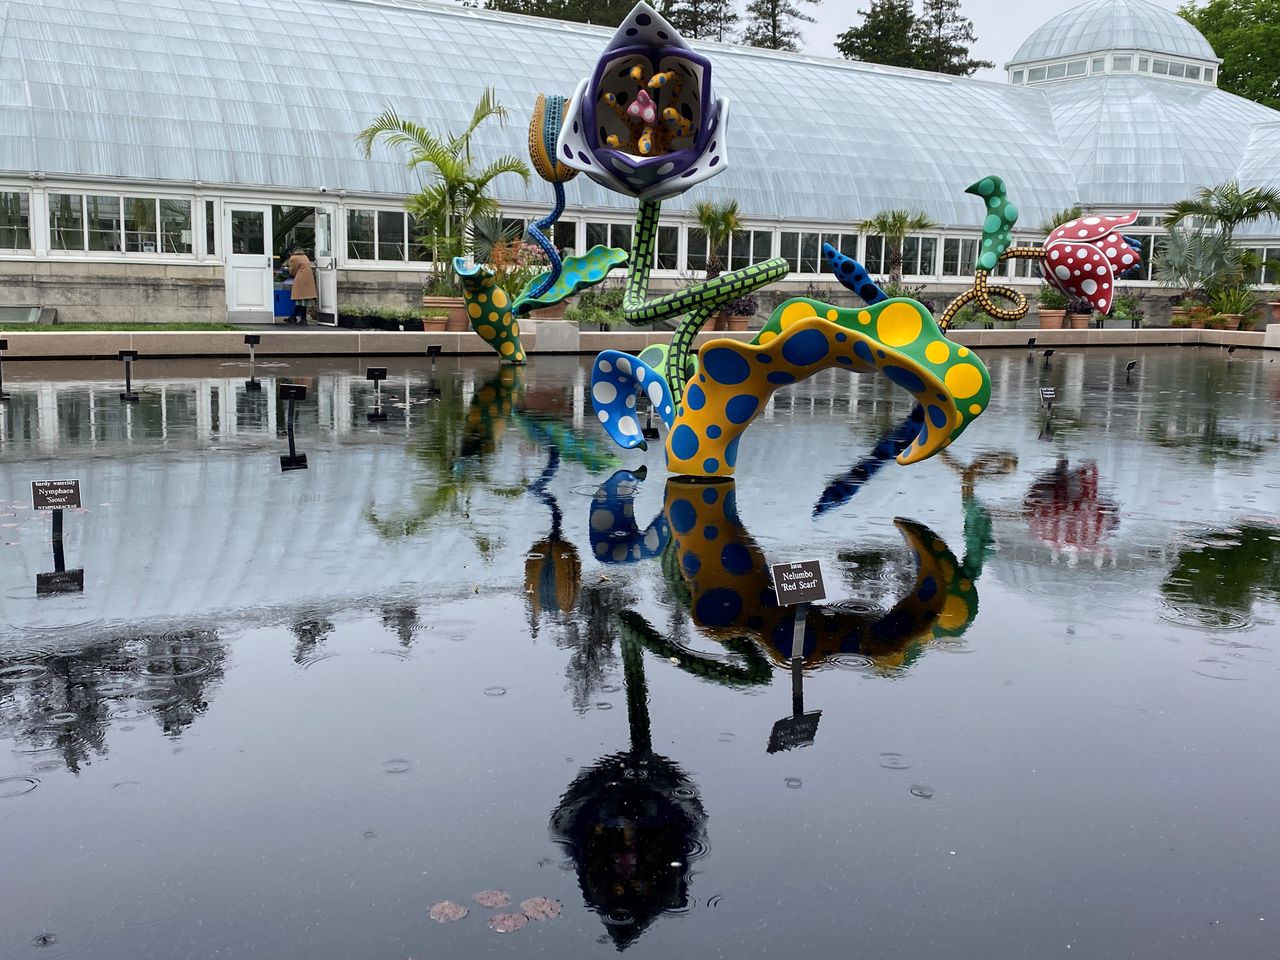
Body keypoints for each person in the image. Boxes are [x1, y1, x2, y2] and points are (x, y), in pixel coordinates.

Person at [286, 246, 317, 325]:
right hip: (308, 281)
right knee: (302, 301)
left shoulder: (294, 258)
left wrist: (288, 272)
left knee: (301, 300)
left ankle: (303, 320)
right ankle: (293, 317)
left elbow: (293, 270)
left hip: (300, 281)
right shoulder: (305, 257)